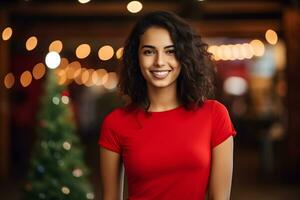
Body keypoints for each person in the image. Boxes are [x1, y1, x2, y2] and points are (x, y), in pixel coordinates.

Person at [99, 11, 236, 200]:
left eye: (170, 51)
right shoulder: (115, 123)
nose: (159, 62)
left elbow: (219, 197)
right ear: (136, 57)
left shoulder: (214, 115)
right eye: (149, 51)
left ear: (184, 56)